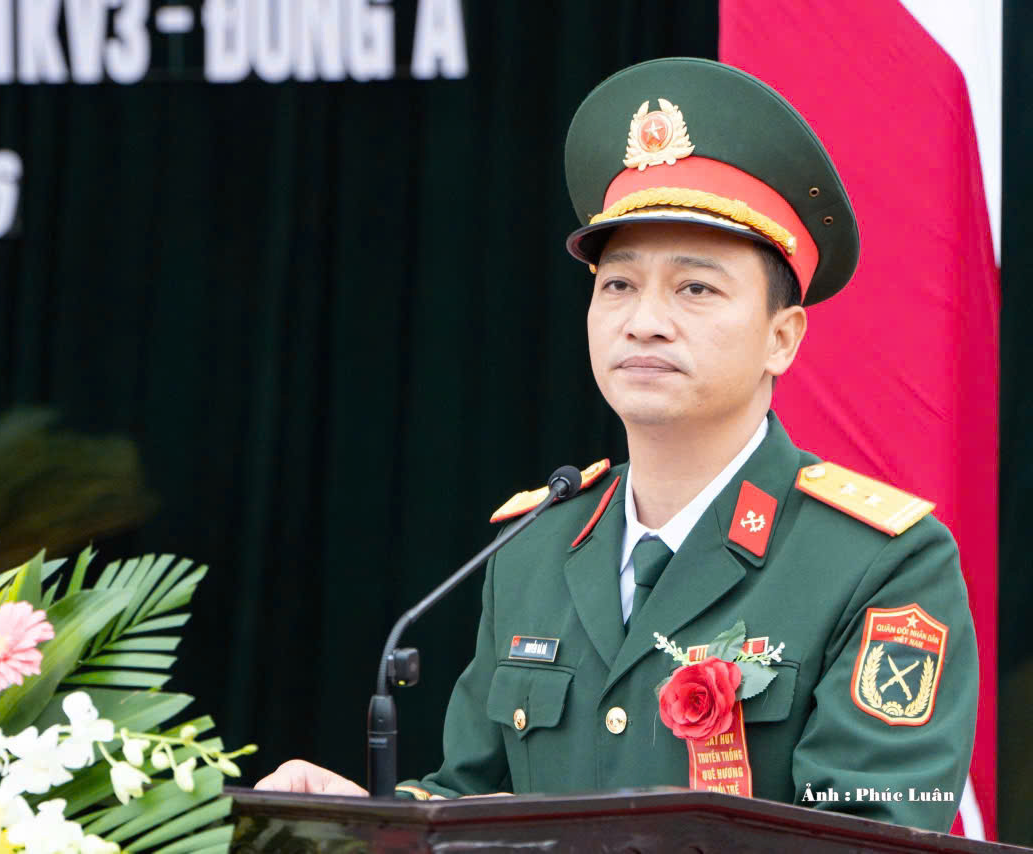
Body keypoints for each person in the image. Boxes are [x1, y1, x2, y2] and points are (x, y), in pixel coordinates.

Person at [255, 57, 978, 833]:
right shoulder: (536, 544)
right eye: (618, 286)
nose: (644, 322)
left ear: (782, 337)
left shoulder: (880, 564)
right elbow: (470, 795)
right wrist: (364, 824)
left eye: (695, 288)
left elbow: (872, 838)